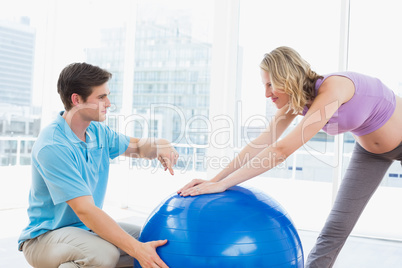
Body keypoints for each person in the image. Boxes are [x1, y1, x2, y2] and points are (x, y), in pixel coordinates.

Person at [178, 46, 402, 267]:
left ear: (287, 78)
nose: (266, 94)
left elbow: (281, 151)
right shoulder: (294, 103)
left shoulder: (333, 89)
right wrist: (215, 181)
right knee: (336, 227)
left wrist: (225, 184)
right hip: (371, 153)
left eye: (270, 84)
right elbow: (263, 142)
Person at [18, 62, 178, 268]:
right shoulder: (53, 145)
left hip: (85, 230)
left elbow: (138, 147)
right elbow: (85, 210)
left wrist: (162, 146)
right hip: (45, 238)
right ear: (77, 99)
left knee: (152, 240)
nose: (109, 103)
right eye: (101, 97)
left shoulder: (97, 132)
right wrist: (136, 250)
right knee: (104, 255)